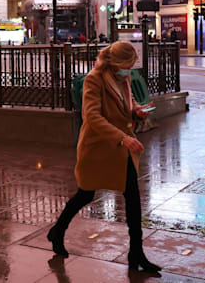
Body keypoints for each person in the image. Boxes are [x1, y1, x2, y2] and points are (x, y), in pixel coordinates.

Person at [47, 41, 162, 274]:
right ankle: (57, 231)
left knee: (132, 198)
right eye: (127, 65)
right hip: (98, 147)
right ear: (114, 63)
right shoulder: (94, 79)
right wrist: (123, 138)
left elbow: (125, 106)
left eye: (131, 66)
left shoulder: (124, 79)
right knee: (86, 194)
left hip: (120, 148)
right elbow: (92, 116)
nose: (129, 70)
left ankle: (136, 254)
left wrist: (137, 111)